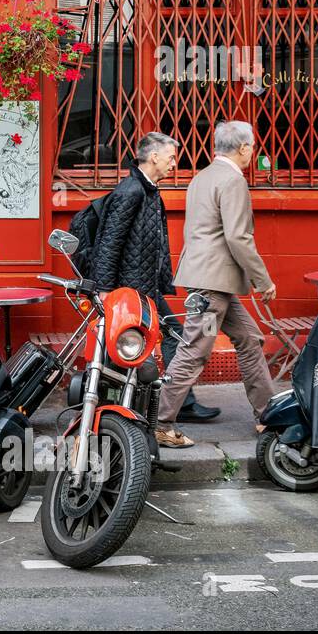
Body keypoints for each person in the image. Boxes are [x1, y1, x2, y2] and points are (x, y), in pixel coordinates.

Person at [155, 120, 277, 448]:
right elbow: (238, 236)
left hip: (212, 284)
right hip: (212, 289)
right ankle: (161, 422)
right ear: (243, 148)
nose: (253, 151)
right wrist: (262, 280)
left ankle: (268, 414)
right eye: (252, 146)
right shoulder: (233, 181)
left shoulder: (202, 177)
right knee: (195, 349)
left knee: (250, 338)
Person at [92, 132, 220, 423]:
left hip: (145, 286)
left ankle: (174, 401)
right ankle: (159, 404)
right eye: (171, 157)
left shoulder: (148, 190)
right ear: (154, 157)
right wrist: (104, 289)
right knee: (159, 340)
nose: (174, 163)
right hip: (132, 290)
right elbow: (110, 242)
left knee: (171, 335)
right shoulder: (131, 192)